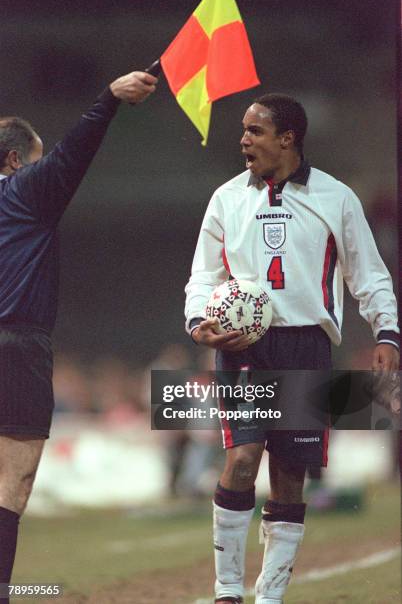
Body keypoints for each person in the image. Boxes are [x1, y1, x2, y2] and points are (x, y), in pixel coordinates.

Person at [184, 93, 399, 604]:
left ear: (288, 138)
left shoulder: (336, 198)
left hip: (307, 347)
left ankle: (270, 595)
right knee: (242, 460)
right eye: (243, 129)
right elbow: (202, 276)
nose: (243, 140)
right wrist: (199, 323)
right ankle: (227, 590)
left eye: (254, 131)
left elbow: (367, 275)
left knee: (288, 475)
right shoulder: (227, 198)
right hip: (244, 349)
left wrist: (386, 332)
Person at [0, 69, 157, 602]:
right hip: (18, 345)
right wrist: (108, 100)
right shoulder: (25, 190)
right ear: (17, 161)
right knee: (14, 479)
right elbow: (74, 153)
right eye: (36, 161)